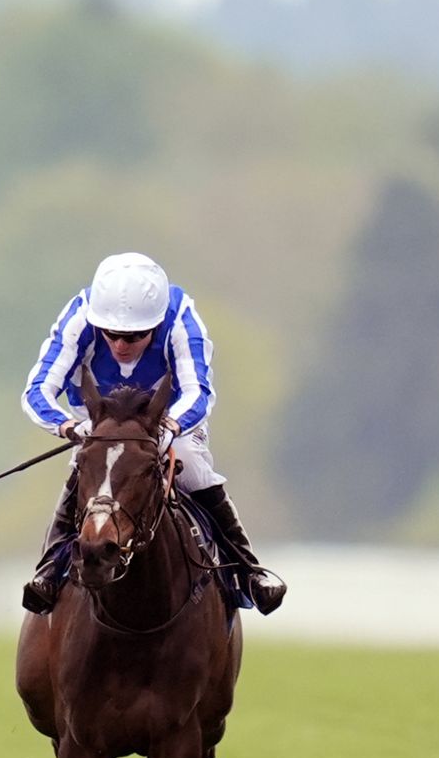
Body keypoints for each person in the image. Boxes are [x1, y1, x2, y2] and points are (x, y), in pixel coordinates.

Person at [20, 251, 285, 615]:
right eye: (111, 334)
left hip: (167, 422)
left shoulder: (181, 319)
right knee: (85, 469)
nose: (119, 346)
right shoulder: (80, 317)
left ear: (156, 325)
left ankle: (248, 570)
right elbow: (37, 390)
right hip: (99, 426)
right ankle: (49, 571)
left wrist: (169, 428)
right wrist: (70, 427)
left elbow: (198, 392)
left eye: (134, 336)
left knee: (191, 464)